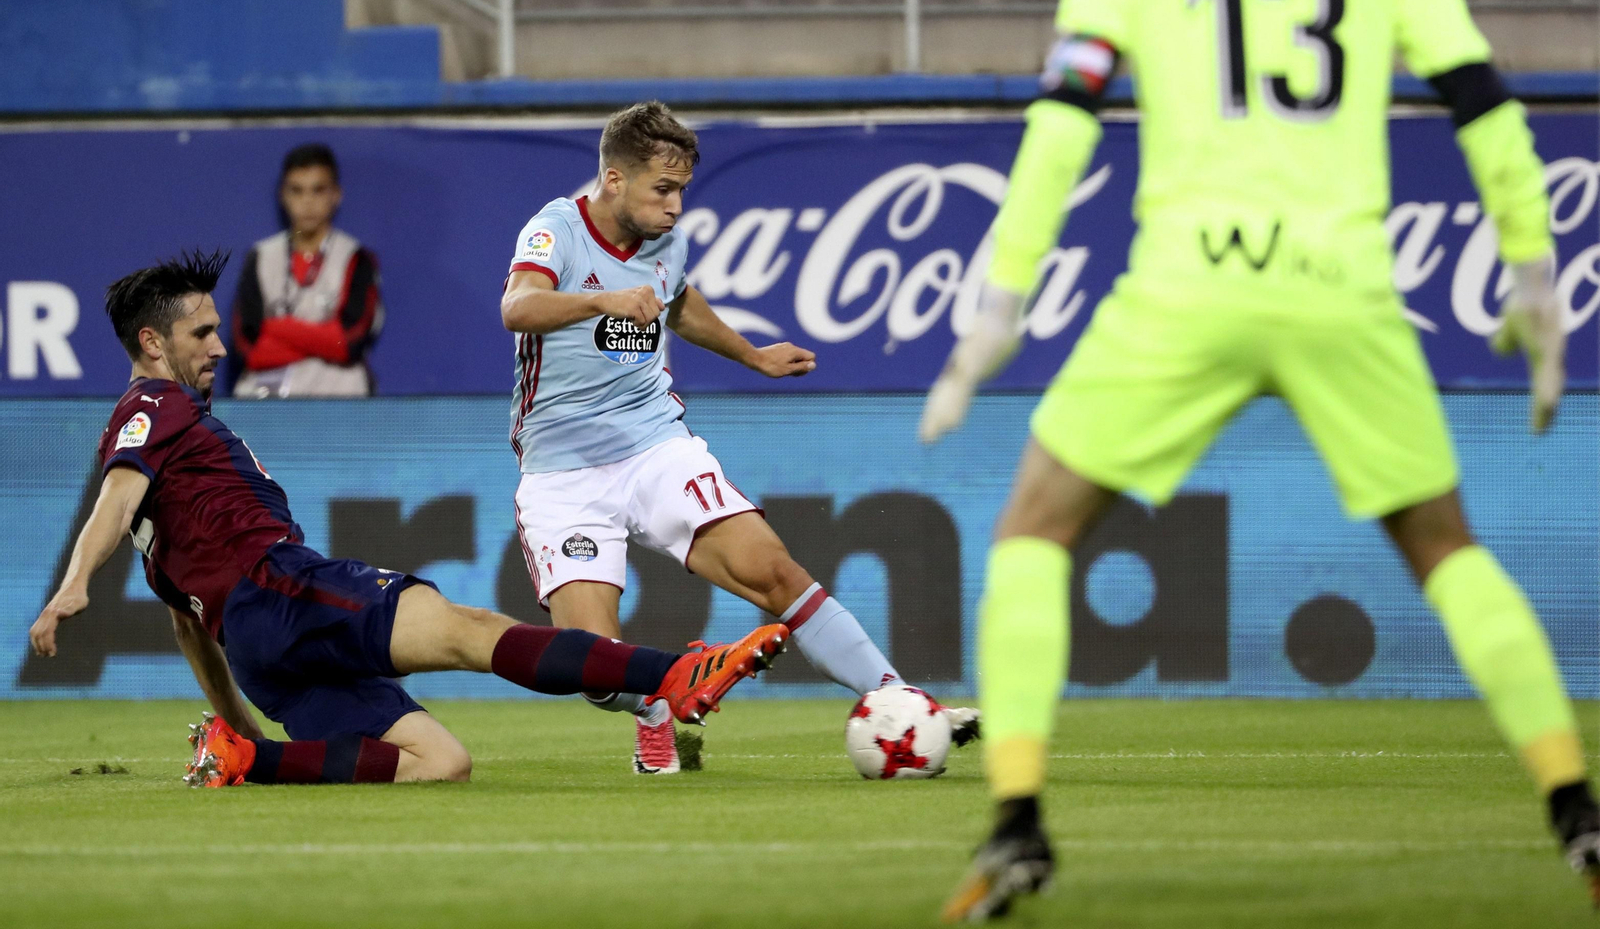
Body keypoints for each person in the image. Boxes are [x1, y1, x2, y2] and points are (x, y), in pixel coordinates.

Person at [919, 0, 1599, 919]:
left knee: (1032, 531)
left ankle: (1016, 819)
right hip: (1340, 287)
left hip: (1185, 284)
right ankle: (1574, 813)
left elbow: (1063, 123)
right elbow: (1489, 111)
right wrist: (1534, 275)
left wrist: (1001, 295)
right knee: (1447, 550)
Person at [28, 250, 786, 788]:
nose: (221, 347)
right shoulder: (153, 407)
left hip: (254, 645)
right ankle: (676, 674)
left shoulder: (165, 483)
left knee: (439, 762)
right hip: (283, 591)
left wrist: (247, 730)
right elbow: (116, 493)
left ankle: (243, 763)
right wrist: (72, 585)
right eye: (202, 334)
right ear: (151, 342)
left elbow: (187, 624)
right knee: (472, 631)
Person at [500, 101, 979, 775]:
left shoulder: (667, 243)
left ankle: (899, 698)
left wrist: (751, 354)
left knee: (775, 570)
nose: (674, 207)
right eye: (661, 189)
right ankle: (656, 704)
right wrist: (600, 300)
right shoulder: (557, 229)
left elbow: (678, 299)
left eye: (681, 192)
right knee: (592, 666)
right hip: (561, 474)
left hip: (653, 445)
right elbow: (516, 306)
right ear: (613, 180)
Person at [232, 143, 382, 398]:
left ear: (336, 194)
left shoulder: (356, 258)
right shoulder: (260, 256)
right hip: (267, 401)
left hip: (341, 400)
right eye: (297, 191)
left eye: (318, 190)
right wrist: (322, 338)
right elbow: (249, 347)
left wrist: (275, 328)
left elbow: (348, 343)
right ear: (283, 195)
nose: (307, 202)